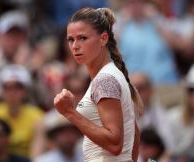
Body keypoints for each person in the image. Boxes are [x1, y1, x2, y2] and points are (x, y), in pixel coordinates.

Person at [54, 7, 143, 162]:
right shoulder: (110, 75)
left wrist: (70, 113)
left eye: (83, 38)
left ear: (103, 39)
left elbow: (115, 145)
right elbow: (134, 132)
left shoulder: (104, 80)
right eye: (71, 39)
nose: (75, 46)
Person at [0, 65, 43, 157]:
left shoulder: (37, 116)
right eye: (7, 87)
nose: (12, 92)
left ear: (25, 91)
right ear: (1, 91)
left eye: (17, 87)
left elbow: (37, 153)